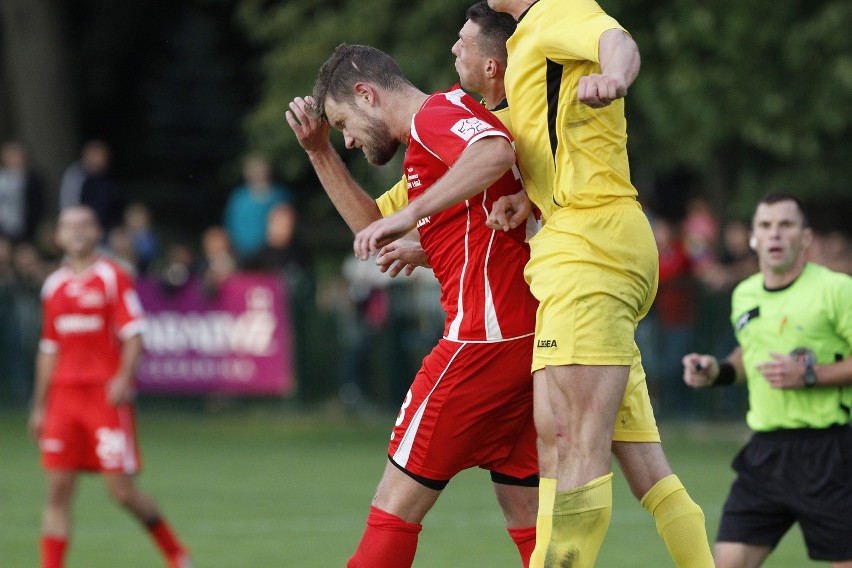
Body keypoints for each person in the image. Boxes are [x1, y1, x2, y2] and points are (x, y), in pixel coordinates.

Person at [468, 1, 714, 565]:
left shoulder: (556, 10)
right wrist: (525, 197)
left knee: (572, 445)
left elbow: (618, 41)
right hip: (584, 247)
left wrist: (614, 76)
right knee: (633, 467)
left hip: (591, 248)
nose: (457, 48)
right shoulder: (530, 51)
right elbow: (552, 151)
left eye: (462, 40)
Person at [286, 40, 540, 567]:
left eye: (343, 124)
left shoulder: (437, 116)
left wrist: (410, 217)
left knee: (393, 509)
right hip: (526, 344)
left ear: (366, 94)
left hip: (483, 342)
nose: (349, 140)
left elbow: (494, 152)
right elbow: (370, 230)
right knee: (529, 515)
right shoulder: (428, 146)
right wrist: (319, 151)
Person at [682, 191, 852, 568]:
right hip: (765, 453)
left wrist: (810, 374)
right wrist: (717, 371)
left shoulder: (836, 290)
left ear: (805, 238)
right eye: (766, 225)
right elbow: (750, 353)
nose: (775, 234)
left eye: (786, 225)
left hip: (831, 453)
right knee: (726, 562)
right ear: (754, 238)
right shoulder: (745, 294)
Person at [28, 206, 193, 568]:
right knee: (57, 490)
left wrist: (122, 377)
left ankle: (176, 555)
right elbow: (48, 349)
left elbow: (134, 333)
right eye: (69, 225)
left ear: (96, 231)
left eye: (85, 224)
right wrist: (39, 407)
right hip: (63, 399)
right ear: (57, 236)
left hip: (103, 397)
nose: (77, 231)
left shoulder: (111, 276)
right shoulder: (53, 286)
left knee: (121, 492)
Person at [223, 153, 293, 260]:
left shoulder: (279, 196)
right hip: (244, 252)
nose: (259, 174)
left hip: (274, 253)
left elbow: (287, 223)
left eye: (261, 170)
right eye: (255, 171)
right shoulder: (239, 198)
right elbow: (230, 224)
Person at [58, 140, 122, 232]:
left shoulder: (105, 178)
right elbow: (70, 203)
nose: (102, 159)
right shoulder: (77, 175)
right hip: (81, 226)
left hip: (103, 228)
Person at [0, 140, 46, 242]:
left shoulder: (34, 179)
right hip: (3, 230)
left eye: (17, 156)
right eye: (11, 156)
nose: (14, 160)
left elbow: (39, 205)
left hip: (28, 230)